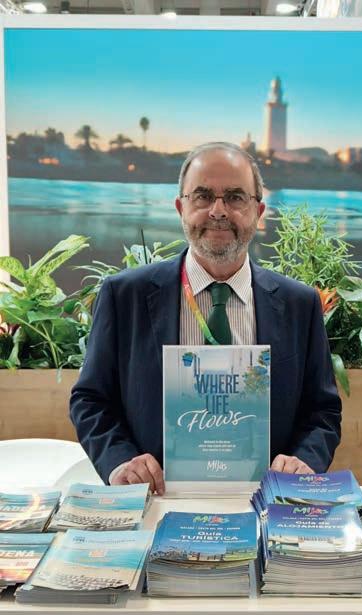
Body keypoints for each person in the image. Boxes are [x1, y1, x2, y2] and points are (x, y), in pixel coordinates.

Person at [70, 142, 342, 494]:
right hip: (157, 497)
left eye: (235, 197)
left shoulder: (299, 304)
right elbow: (90, 399)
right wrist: (120, 461)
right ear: (181, 208)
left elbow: (323, 410)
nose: (218, 211)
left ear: (259, 212)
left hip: (265, 498)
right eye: (202, 196)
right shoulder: (124, 296)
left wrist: (303, 460)